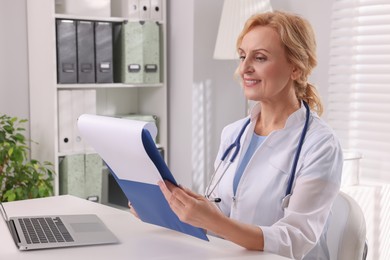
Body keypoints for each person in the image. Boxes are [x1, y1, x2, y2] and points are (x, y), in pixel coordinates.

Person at [132, 10, 343, 260]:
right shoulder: (234, 133)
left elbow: (295, 240)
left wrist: (214, 221)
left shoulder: (320, 145)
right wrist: (175, 208)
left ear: (296, 68)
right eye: (242, 56)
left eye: (260, 58)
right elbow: (223, 210)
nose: (245, 68)